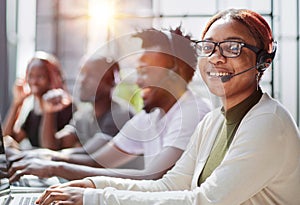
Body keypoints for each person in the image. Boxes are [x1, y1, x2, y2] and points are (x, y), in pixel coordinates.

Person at [36, 8, 300, 205]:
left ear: (263, 62)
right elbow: (170, 185)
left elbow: (203, 201)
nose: (217, 58)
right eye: (209, 48)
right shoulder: (214, 121)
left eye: (233, 48)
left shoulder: (267, 123)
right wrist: (94, 185)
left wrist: (95, 197)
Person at [8, 26, 210, 183]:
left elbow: (153, 178)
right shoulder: (151, 117)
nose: (137, 81)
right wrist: (40, 158)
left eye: (144, 70)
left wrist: (53, 167)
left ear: (174, 72)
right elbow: (98, 160)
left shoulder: (191, 112)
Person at [3, 51, 73, 150]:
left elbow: (50, 148)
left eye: (40, 76)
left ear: (52, 79)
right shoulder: (33, 114)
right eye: (31, 76)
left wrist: (49, 109)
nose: (34, 81)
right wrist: (17, 103)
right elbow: (7, 139)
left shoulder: (68, 111)